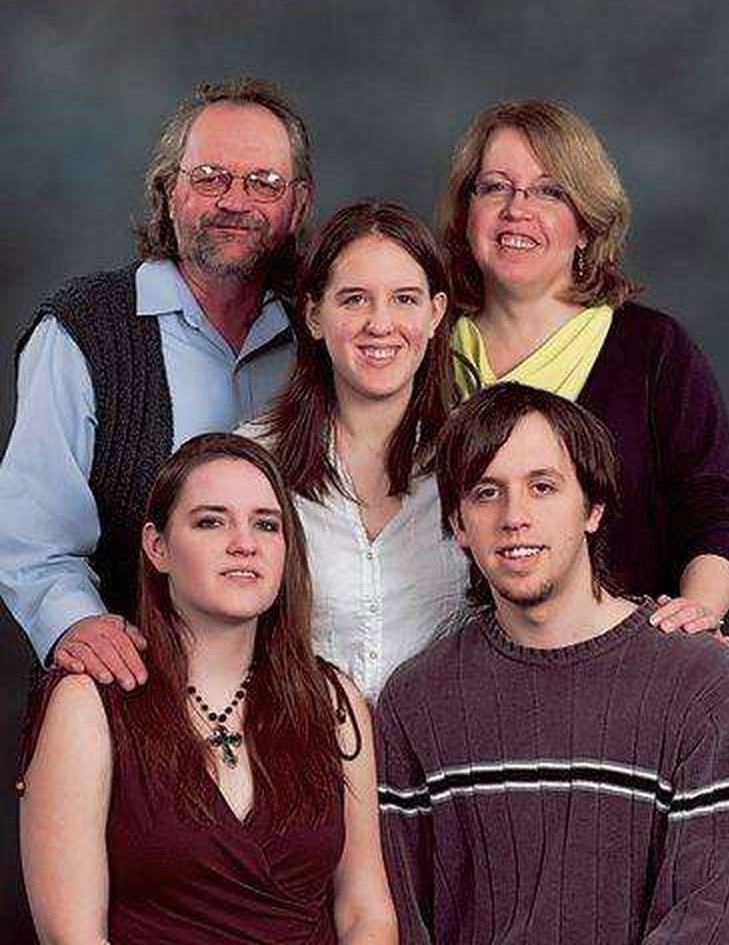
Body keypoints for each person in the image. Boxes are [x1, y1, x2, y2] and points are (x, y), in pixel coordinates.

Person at [376, 382, 729, 945]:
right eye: (486, 493)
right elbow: (406, 920)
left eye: (543, 487)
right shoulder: (417, 700)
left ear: (593, 507)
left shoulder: (698, 683)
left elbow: (707, 920)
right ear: (458, 525)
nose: (515, 517)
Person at [19, 433, 397, 945]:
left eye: (266, 524)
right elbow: (73, 937)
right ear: (158, 547)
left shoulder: (333, 701)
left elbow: (364, 911)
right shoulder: (89, 703)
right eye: (211, 521)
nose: (245, 542)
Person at [0, 77, 312, 689]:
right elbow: (31, 535)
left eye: (263, 183)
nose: (235, 201)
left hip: (287, 697)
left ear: (297, 206)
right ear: (169, 191)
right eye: (210, 177)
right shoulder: (85, 330)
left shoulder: (323, 332)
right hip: (131, 689)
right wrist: (75, 625)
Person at [440, 99, 729, 636]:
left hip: (618, 669)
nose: (517, 209)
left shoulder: (652, 350)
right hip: (450, 672)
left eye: (549, 191)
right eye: (494, 187)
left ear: (586, 224)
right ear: (468, 212)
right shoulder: (420, 347)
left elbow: (713, 509)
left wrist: (696, 616)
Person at [239, 201, 469, 701]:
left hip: (446, 765)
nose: (380, 324)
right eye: (354, 300)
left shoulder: (479, 461)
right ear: (314, 315)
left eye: (404, 299)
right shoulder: (251, 463)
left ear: (436, 314)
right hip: (296, 757)